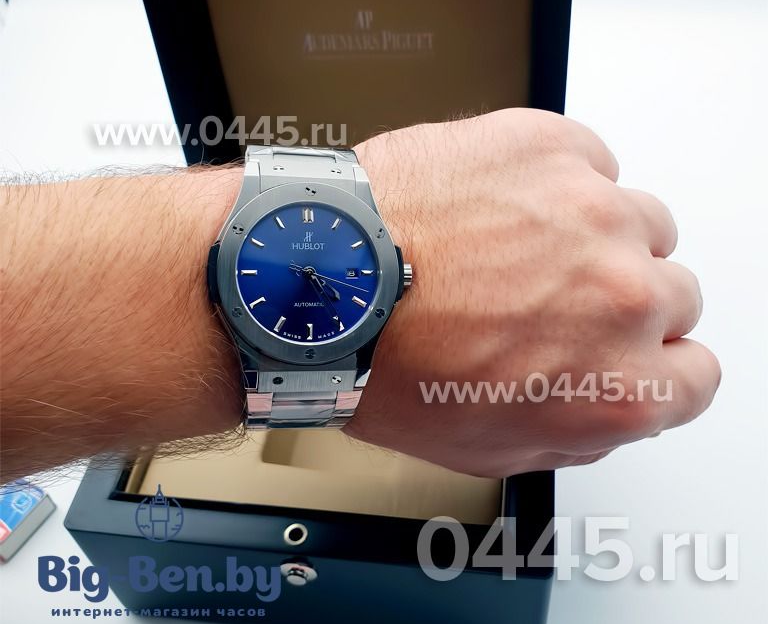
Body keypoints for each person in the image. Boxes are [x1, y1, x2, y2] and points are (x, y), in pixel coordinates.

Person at [0, 109, 720, 482]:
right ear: (221, 260)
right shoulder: (245, 265)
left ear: (397, 273)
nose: (315, 278)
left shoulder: (348, 270)